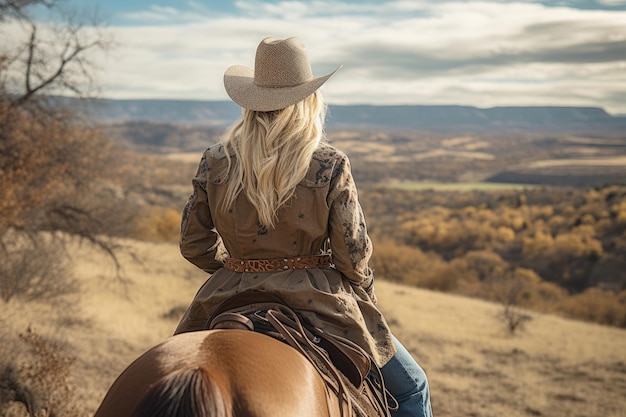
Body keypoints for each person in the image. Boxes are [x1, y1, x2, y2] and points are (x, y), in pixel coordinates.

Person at [174, 36, 433, 417]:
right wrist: (365, 290)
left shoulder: (216, 161)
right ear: (308, 101)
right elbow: (353, 255)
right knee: (412, 389)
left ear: (251, 102)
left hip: (226, 294)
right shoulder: (329, 163)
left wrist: (237, 270)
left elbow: (193, 245)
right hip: (319, 299)